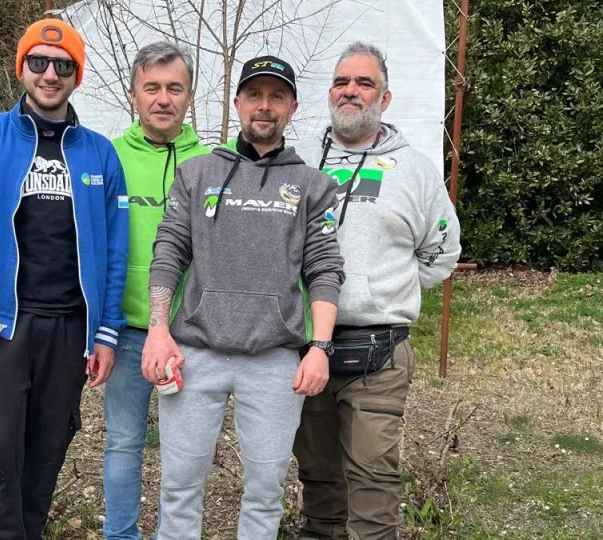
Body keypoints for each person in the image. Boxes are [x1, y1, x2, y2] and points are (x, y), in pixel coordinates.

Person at [0, 18, 129, 539]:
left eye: (63, 65)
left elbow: (114, 253)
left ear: (77, 76)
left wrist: (105, 333)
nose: (49, 74)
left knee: (46, 457)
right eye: (38, 62)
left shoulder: (99, 155)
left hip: (68, 330)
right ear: (21, 68)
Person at [142, 55, 346, 540]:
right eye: (254, 94)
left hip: (274, 362)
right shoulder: (196, 174)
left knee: (265, 490)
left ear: (293, 107)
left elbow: (325, 270)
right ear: (237, 103)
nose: (264, 106)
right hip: (195, 355)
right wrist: (157, 327)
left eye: (277, 96)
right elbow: (169, 251)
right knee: (179, 487)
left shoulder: (314, 186)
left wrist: (319, 349)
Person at [293, 42, 462, 540]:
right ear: (330, 94)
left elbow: (442, 252)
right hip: (305, 348)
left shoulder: (415, 172)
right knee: (318, 477)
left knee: (373, 479)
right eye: (343, 82)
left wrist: (383, 289)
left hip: (379, 349)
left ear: (385, 99)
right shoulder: (300, 160)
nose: (351, 91)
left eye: (365, 83)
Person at [103, 42, 210, 540]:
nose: (163, 99)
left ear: (190, 96)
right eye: (152, 88)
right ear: (134, 95)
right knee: (124, 443)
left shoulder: (214, 162)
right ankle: (120, 535)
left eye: (174, 88)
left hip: (189, 336)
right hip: (125, 332)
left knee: (182, 452)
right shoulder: (110, 157)